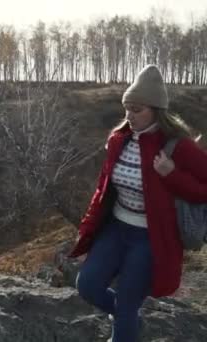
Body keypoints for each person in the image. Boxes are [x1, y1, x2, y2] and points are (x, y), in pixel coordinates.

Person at [68, 64, 207, 342]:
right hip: (117, 229)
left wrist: (173, 176)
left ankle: (126, 325)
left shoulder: (178, 146)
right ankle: (127, 319)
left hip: (150, 239)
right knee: (88, 285)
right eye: (127, 108)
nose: (129, 115)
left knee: (128, 305)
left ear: (156, 109)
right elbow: (103, 191)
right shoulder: (118, 140)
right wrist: (87, 232)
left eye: (137, 109)